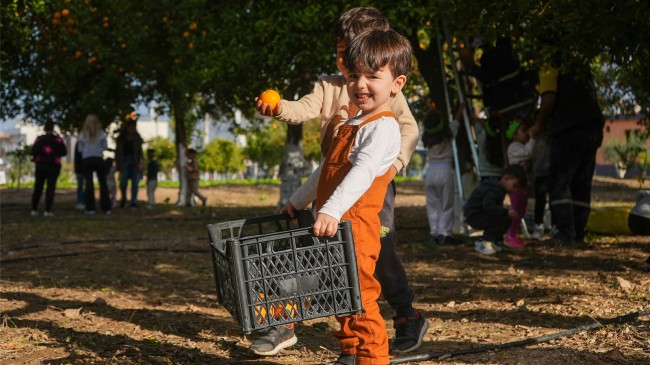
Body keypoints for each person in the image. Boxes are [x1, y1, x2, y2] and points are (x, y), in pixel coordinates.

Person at [254, 7, 426, 356]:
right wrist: (279, 109)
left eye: (359, 59)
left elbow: (398, 139)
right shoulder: (334, 88)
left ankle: (403, 318)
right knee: (333, 270)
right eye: (344, 56)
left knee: (372, 260)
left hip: (370, 187)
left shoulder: (385, 101)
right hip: (335, 187)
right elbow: (307, 120)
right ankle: (294, 325)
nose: (352, 72)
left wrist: (390, 167)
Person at [531, 60, 605, 246]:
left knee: (559, 182)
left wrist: (539, 125)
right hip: (592, 129)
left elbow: (548, 99)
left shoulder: (549, 63)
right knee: (581, 183)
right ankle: (578, 233)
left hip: (568, 129)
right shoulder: (580, 65)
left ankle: (564, 234)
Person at [421, 104, 463, 248]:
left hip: (430, 170)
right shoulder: (448, 133)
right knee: (447, 204)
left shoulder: (426, 137)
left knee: (433, 204)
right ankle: (444, 233)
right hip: (445, 169)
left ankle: (434, 232)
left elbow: (430, 122)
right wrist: (461, 108)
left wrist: (430, 112)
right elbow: (457, 121)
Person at [464, 164, 527, 255]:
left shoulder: (497, 188)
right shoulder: (494, 189)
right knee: (500, 220)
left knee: (505, 220)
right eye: (515, 186)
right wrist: (505, 211)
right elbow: (488, 206)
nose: (515, 190)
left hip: (479, 213)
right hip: (474, 215)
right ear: (506, 178)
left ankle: (494, 241)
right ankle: (484, 242)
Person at [504, 120, 535, 249]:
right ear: (514, 135)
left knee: (522, 210)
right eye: (523, 131)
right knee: (516, 209)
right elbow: (529, 152)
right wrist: (532, 137)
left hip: (523, 184)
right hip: (516, 185)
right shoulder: (514, 147)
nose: (526, 133)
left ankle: (514, 234)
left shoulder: (521, 146)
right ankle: (510, 235)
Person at [30, 118, 67, 217]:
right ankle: (47, 210)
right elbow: (64, 152)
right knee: (50, 189)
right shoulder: (57, 140)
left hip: (41, 166)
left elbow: (33, 151)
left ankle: (34, 209)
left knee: (38, 187)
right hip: (53, 167)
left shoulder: (39, 139)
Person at [78, 114, 111, 214]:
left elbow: (80, 149)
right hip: (98, 159)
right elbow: (105, 147)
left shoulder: (82, 134)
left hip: (87, 160)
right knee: (103, 183)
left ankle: (90, 208)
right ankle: (106, 208)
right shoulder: (101, 133)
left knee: (89, 184)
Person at [115, 114, 144, 208]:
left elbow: (140, 152)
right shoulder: (121, 139)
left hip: (134, 161)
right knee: (123, 182)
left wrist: (141, 162)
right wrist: (118, 164)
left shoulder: (137, 138)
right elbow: (117, 152)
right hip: (124, 161)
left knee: (135, 182)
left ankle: (133, 201)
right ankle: (124, 197)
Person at [531, 132, 551, 240]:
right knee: (540, 201)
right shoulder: (536, 137)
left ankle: (554, 227)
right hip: (540, 173)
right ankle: (538, 226)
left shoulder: (555, 135)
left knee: (555, 202)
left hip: (554, 172)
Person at [73, 140, 85, 210]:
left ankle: (83, 202)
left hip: (86, 168)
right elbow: (77, 158)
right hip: (81, 169)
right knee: (81, 186)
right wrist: (77, 171)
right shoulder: (79, 143)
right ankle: (80, 202)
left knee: (83, 186)